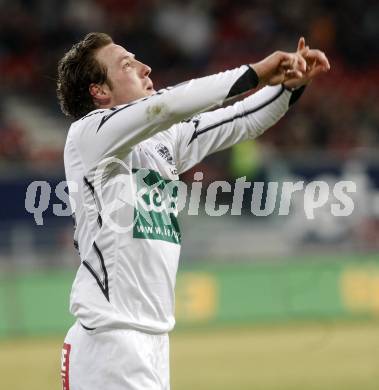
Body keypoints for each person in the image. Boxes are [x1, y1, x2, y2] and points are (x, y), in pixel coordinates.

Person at [57, 32, 329, 390]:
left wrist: (289, 87)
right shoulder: (87, 135)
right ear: (100, 91)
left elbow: (241, 120)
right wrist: (257, 72)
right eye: (126, 64)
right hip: (109, 342)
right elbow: (167, 106)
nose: (144, 67)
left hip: (152, 340)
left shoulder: (162, 142)